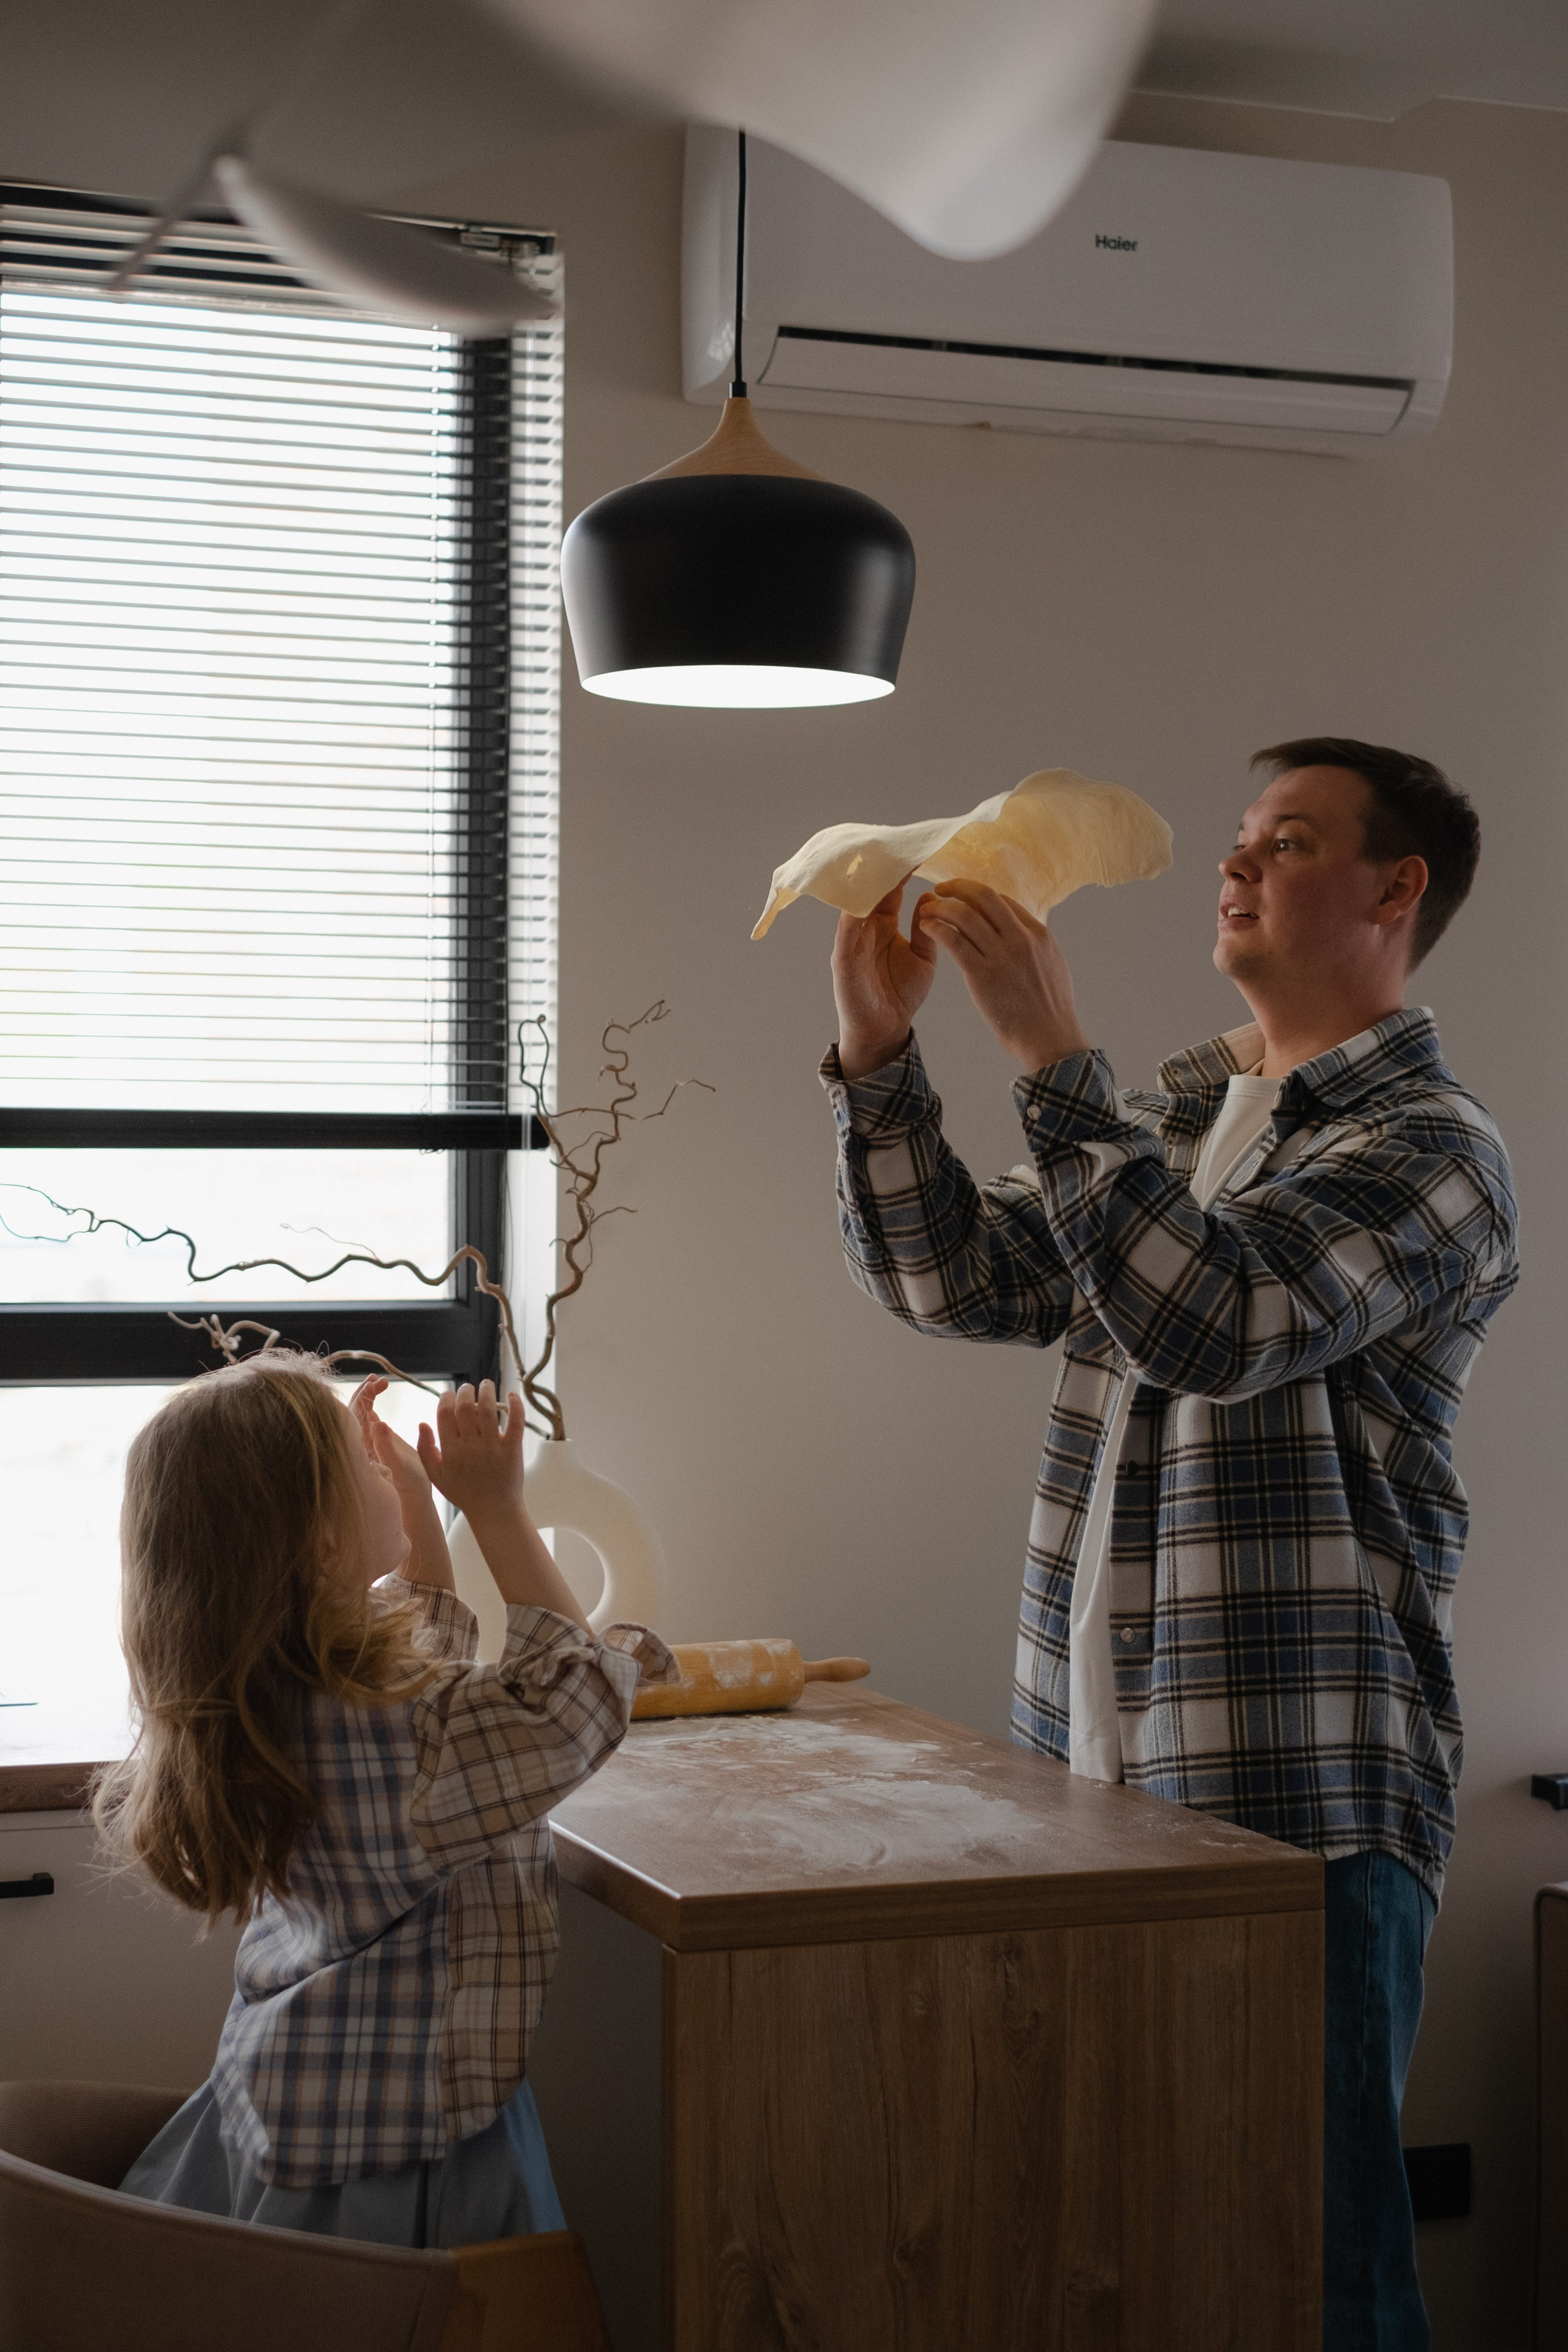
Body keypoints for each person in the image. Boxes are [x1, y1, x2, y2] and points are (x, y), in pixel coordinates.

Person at [820, 739, 1518, 2351]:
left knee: (1318, 2273)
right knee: (1139, 2254)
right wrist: (876, 1056)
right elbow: (956, 1279)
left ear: (1395, 889)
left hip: (1303, 1813)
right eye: (1242, 840)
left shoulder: (1430, 1151)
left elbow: (1206, 1317)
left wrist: (1053, 1051)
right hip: (1101, 1785)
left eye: (1286, 843)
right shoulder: (1191, 1117)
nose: (1238, 866)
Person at [102, 1353, 674, 2245]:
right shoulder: (403, 1736)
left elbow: (419, 1653)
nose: (386, 1463)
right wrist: (496, 1508)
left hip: (312, 2095)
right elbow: (576, 1705)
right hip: (408, 2152)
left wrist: (413, 1509)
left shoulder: (279, 1693)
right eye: (363, 1465)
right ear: (321, 1544)